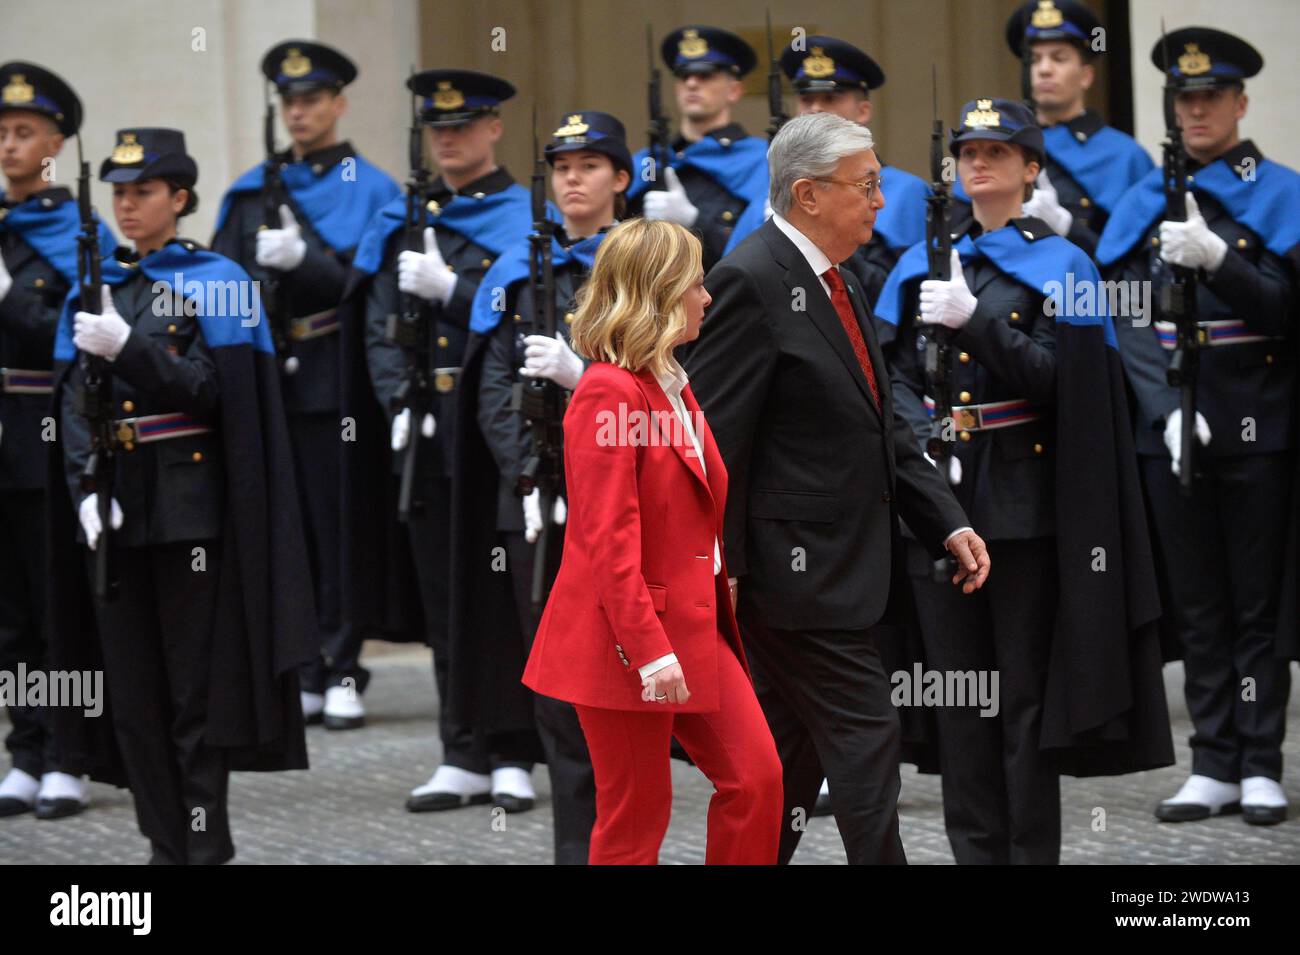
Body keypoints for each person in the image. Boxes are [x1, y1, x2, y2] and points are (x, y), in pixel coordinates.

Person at [680, 112, 990, 865]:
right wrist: (715, 577)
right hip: (792, 574)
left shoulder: (841, 277)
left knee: (786, 758)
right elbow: (714, 443)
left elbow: (881, 424)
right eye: (868, 185)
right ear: (809, 194)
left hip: (842, 566)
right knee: (866, 735)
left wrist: (943, 519)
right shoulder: (750, 279)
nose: (882, 201)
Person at [875, 97, 1173, 863]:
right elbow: (887, 376)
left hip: (1021, 510)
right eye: (969, 151)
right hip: (938, 504)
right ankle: (976, 853)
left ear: (1031, 169)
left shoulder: (1065, 264)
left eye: (998, 152)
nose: (979, 162)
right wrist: (920, 442)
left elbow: (1065, 385)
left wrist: (976, 321)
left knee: (1020, 701)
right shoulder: (921, 261)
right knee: (958, 701)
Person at [47, 128, 317, 864]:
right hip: (115, 507)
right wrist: (84, 487)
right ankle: (164, 844)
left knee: (196, 694)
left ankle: (203, 842)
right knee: (133, 697)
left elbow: (213, 394)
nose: (127, 206)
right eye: (119, 194)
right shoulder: (93, 283)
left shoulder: (219, 280)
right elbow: (74, 404)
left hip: (192, 509)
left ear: (180, 199)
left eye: (143, 192)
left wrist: (127, 349)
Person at [522, 217, 783, 865]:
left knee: (757, 778)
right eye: (696, 285)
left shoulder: (669, 380)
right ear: (661, 294)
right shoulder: (609, 390)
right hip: (628, 638)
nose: (707, 298)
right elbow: (607, 541)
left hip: (691, 624)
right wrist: (648, 652)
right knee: (635, 819)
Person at [1097, 27, 1300, 826]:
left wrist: (1222, 262)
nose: (1197, 109)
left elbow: (1288, 314)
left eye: (1211, 96)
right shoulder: (1146, 197)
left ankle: (1260, 760)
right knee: (1198, 598)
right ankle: (1210, 760)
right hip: (1172, 419)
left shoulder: (1279, 191)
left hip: (1259, 412)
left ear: (1240, 102)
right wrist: (1163, 412)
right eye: (1185, 98)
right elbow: (1123, 313)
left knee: (1256, 600)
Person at [346, 69, 540, 818]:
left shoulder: (524, 218)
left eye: (464, 125)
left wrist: (454, 292)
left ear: (493, 129)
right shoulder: (405, 217)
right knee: (442, 591)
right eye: (438, 128)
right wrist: (399, 395)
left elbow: (524, 316)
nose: (450, 138)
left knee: (504, 591)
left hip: (494, 423)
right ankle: (461, 748)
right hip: (427, 424)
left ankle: (517, 750)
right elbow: (379, 323)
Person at [453, 109, 635, 860]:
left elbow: (669, 379)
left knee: (621, 682)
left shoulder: (643, 263)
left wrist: (584, 378)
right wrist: (525, 471)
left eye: (589, 165)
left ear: (621, 179)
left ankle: (625, 839)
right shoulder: (515, 267)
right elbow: (493, 382)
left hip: (623, 498)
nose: (573, 179)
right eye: (562, 167)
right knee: (559, 687)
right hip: (535, 502)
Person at [211, 40, 399, 730]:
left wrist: (307, 262)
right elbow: (218, 284)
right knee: (287, 529)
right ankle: (305, 665)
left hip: (332, 382)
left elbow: (375, 286)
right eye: (289, 101)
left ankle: (345, 661)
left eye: (312, 99)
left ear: (338, 104)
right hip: (269, 384)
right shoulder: (252, 189)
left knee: (337, 522)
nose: (299, 111)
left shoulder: (369, 185)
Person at [0, 62, 112, 821]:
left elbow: (74, 340)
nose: (8, 145)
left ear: (57, 143)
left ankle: (70, 753)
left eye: (24, 132)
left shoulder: (80, 235)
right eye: (1, 132)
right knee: (9, 616)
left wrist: (11, 300)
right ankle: (25, 747)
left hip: (44, 441)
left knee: (55, 607)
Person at [984, 0, 1154, 257]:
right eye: (1034, 60)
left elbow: (1135, 267)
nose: (1044, 70)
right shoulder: (997, 149)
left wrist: (1065, 227)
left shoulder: (1124, 156)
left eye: (1059, 58)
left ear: (1086, 76)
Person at [779, 36, 929, 307]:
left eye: (830, 98)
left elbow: (900, 299)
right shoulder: (773, 194)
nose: (815, 109)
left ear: (863, 111)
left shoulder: (905, 193)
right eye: (806, 99)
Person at [628, 25, 768, 271]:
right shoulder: (647, 163)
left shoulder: (761, 161)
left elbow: (766, 253)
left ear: (734, 91)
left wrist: (694, 222)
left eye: (706, 76)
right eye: (684, 76)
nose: (692, 83)